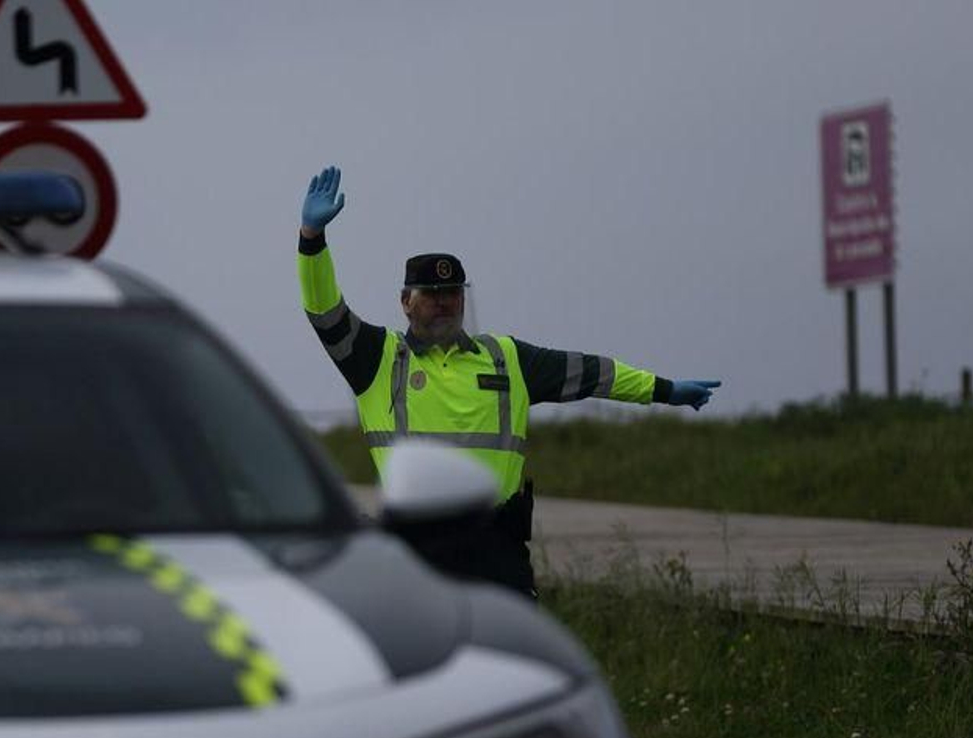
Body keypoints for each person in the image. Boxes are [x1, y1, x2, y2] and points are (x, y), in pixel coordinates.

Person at [297, 166, 720, 598]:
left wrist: (664, 389)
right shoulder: (378, 359)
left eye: (453, 294)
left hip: (496, 551)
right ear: (406, 302)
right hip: (415, 551)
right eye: (431, 295)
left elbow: (593, 374)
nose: (444, 304)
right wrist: (312, 240)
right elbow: (325, 312)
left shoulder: (506, 358)